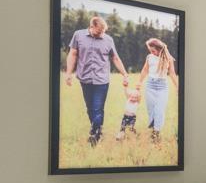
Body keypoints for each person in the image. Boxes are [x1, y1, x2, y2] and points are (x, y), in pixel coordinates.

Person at [65, 16, 129, 146]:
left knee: (98, 108)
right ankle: (97, 131)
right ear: (91, 26)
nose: (102, 34)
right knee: (90, 109)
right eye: (99, 32)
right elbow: (73, 54)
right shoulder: (78, 35)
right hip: (85, 78)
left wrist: (125, 74)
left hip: (102, 80)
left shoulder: (108, 40)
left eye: (103, 32)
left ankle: (95, 135)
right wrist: (68, 73)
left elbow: (115, 58)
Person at [136, 37, 179, 143]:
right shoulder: (149, 57)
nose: (152, 52)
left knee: (159, 110)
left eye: (153, 51)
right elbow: (145, 69)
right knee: (151, 110)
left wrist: (178, 86)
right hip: (150, 85)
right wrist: (140, 82)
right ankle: (152, 130)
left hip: (162, 87)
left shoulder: (168, 58)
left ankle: (156, 133)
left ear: (159, 49)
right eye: (150, 51)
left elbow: (172, 73)